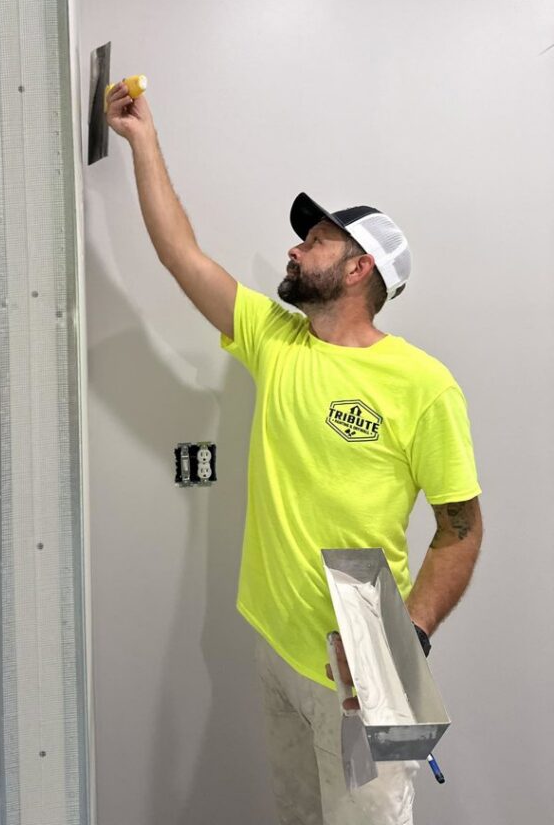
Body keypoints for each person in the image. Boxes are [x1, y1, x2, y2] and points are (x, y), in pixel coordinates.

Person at [105, 81, 483, 825]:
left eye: (315, 242)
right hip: (277, 645)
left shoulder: (423, 384)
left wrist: (407, 638)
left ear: (359, 268)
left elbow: (461, 529)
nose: (294, 247)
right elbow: (182, 256)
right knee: (300, 816)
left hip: (364, 662)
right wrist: (143, 139)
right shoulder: (278, 341)